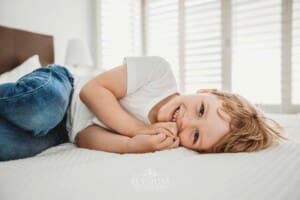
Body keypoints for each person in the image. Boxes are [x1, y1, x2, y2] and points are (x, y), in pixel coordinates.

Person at [0, 56, 285, 161]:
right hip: (64, 86)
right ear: (205, 91)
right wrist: (138, 129)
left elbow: (82, 137)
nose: (186, 123)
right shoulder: (158, 74)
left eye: (195, 137)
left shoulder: (159, 142)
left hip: (62, 131)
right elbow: (92, 92)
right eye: (200, 110)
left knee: (8, 147)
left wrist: (134, 145)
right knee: (42, 107)